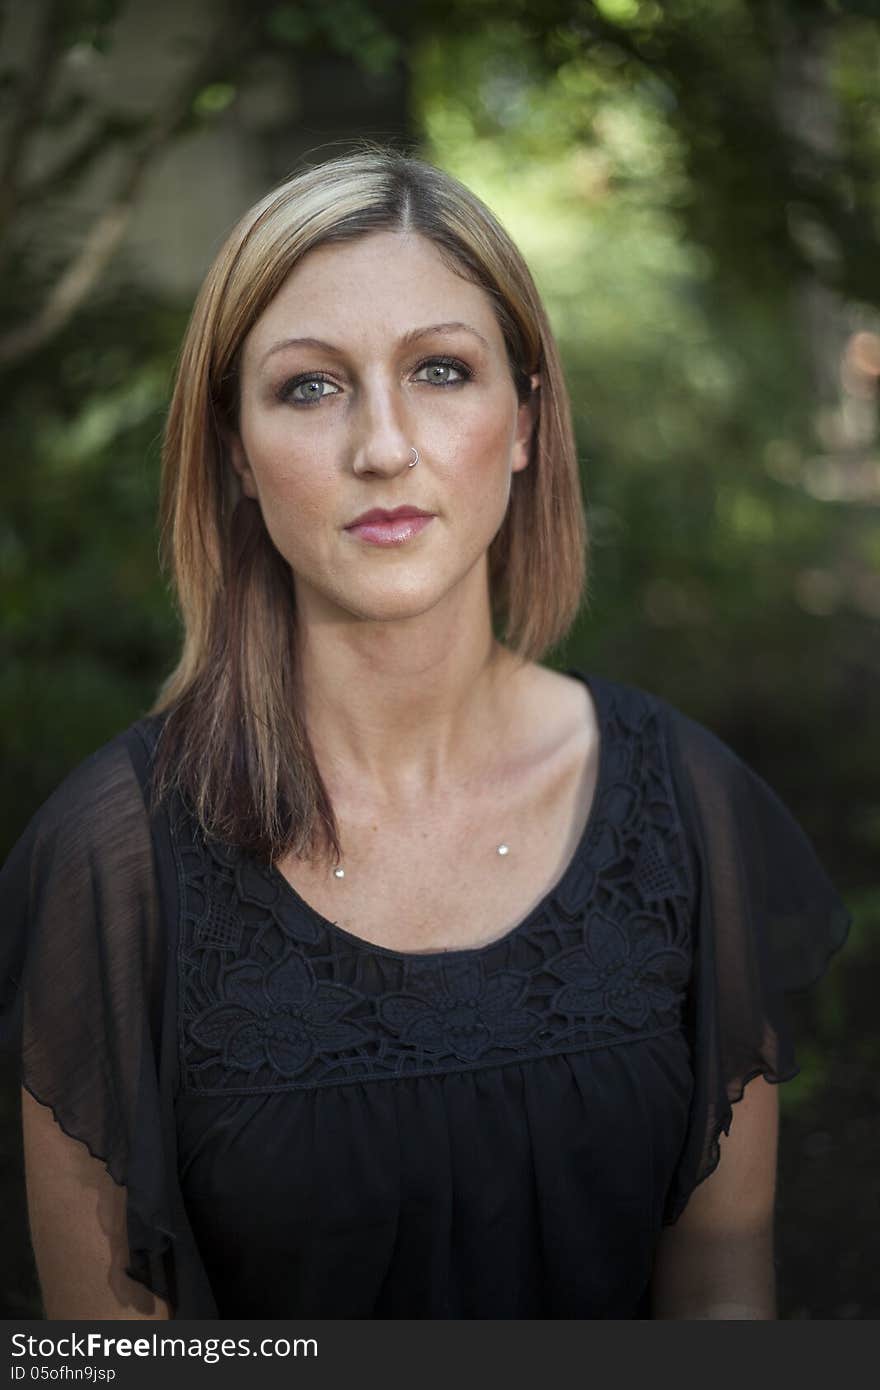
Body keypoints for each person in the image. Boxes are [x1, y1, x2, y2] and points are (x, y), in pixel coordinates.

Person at [0, 145, 851, 1321]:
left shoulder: (688, 806)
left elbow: (719, 1296)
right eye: (310, 385)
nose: (383, 446)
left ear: (522, 421)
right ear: (236, 451)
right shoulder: (116, 861)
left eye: (442, 370)